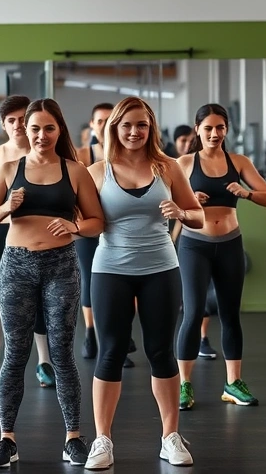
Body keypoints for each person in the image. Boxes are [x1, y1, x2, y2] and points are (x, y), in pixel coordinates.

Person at [84, 97, 203, 469]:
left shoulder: (167, 168)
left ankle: (170, 436)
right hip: (110, 270)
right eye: (127, 125)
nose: (134, 132)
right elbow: (87, 221)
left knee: (160, 352)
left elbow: (197, 216)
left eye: (142, 125)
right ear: (114, 129)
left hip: (160, 269)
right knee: (110, 353)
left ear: (151, 129)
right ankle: (102, 440)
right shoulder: (97, 171)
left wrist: (182, 213)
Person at [0, 99, 104, 469]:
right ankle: (7, 438)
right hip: (16, 265)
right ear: (24, 129)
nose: (40, 135)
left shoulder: (76, 171)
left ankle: (73, 437)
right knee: (15, 355)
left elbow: (97, 221)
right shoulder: (6, 169)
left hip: (61, 265)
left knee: (62, 353)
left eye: (48, 128)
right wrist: (6, 207)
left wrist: (75, 226)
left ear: (59, 131)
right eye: (33, 128)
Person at [174, 104, 266, 411]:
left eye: (220, 128)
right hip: (194, 245)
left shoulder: (239, 161)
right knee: (192, 315)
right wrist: (190, 200)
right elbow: (165, 202)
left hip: (230, 243)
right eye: (208, 128)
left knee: (230, 315)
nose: (214, 134)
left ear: (227, 130)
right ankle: (184, 385)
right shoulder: (185, 163)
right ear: (197, 130)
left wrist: (245, 193)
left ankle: (233, 384)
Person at [0, 96, 56, 390]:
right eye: (12, 120)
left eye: (23, 119)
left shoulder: (50, 157)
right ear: (3, 125)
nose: (19, 126)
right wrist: (7, 207)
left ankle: (44, 361)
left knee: (40, 303)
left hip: (39, 237)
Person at [170, 123, 219, 359]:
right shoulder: (174, 167)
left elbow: (189, 214)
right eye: (180, 141)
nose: (184, 144)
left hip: (198, 234)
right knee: (184, 297)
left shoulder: (205, 165)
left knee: (202, 293)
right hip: (178, 237)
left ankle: (203, 338)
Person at [77, 103, 113, 361]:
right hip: (89, 225)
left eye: (109, 120)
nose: (104, 125)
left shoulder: (127, 154)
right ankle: (91, 332)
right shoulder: (82, 155)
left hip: (117, 226)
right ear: (92, 125)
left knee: (119, 281)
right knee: (90, 279)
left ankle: (115, 335)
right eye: (99, 121)